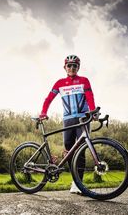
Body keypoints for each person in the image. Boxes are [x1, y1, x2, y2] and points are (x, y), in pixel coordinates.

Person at [39, 54, 96, 194]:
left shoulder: (84, 80)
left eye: (74, 65)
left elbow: (90, 97)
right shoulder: (59, 83)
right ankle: (75, 180)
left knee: (81, 150)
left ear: (78, 67)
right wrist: (43, 112)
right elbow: (48, 99)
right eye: (69, 65)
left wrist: (93, 111)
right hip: (68, 120)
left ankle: (79, 184)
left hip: (83, 118)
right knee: (69, 150)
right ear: (65, 67)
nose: (72, 68)